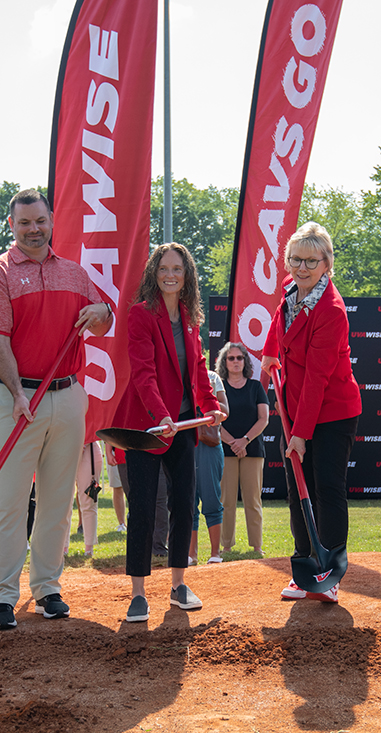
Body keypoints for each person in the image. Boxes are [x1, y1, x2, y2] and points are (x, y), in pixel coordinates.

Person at [0, 188, 113, 629]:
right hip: (16, 398)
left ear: (52, 221)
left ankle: (48, 586)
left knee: (57, 500)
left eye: (40, 221)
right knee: (11, 500)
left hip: (68, 395)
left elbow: (104, 319)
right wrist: (16, 392)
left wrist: (101, 310)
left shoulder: (74, 272)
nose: (34, 230)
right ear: (11, 226)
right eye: (24, 223)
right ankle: (3, 596)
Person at [114, 243, 224, 621]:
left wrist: (210, 408)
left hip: (183, 427)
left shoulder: (192, 319)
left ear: (187, 274)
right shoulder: (141, 315)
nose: (170, 274)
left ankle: (178, 585)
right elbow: (143, 374)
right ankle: (139, 594)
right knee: (143, 508)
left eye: (177, 268)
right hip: (147, 426)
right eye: (164, 268)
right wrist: (162, 417)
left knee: (183, 504)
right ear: (153, 272)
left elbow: (197, 372)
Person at [261, 222, 362, 603]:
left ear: (326, 264)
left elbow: (319, 378)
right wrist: (271, 354)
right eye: (296, 259)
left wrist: (299, 435)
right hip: (296, 408)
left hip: (332, 412)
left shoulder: (331, 310)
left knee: (325, 489)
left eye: (311, 261)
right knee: (295, 490)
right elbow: (279, 329)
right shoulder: (290, 295)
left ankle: (329, 572)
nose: (302, 268)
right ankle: (304, 568)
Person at [217, 342, 269, 556]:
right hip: (226, 451)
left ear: (246, 361)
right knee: (226, 501)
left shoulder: (256, 387)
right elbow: (214, 421)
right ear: (225, 362)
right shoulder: (219, 388)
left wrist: (244, 441)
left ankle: (256, 546)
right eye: (231, 358)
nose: (236, 362)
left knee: (253, 500)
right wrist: (233, 443)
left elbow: (264, 418)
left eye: (239, 358)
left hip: (252, 450)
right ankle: (226, 545)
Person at [189, 359, 229, 565]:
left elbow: (225, 410)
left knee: (211, 497)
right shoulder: (178, 374)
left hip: (209, 444)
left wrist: (203, 400)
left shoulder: (213, 377)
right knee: (188, 499)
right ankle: (191, 555)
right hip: (186, 442)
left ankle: (215, 553)